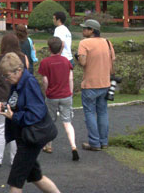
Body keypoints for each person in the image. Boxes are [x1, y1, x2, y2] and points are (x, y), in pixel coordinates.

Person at [0, 52, 61, 193]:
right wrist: (6, 106)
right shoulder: (17, 82)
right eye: (4, 76)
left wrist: (14, 116)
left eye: (7, 76)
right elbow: (18, 103)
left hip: (32, 138)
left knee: (15, 182)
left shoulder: (29, 83)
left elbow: (36, 114)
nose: (6, 79)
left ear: (18, 70)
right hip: (25, 137)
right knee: (36, 177)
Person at [75, 18, 115, 151]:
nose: (82, 30)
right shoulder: (107, 42)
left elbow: (83, 63)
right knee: (103, 112)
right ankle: (104, 141)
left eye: (85, 28)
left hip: (90, 84)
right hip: (105, 83)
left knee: (90, 113)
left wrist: (78, 57)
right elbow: (112, 64)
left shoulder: (84, 43)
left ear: (91, 30)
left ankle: (94, 142)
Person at [37, 37, 78, 160]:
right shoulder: (66, 61)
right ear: (61, 47)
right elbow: (71, 78)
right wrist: (70, 92)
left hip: (52, 96)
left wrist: (46, 91)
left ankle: (48, 145)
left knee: (50, 121)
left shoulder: (45, 62)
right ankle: (73, 146)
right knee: (67, 122)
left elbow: (45, 80)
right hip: (66, 95)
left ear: (49, 48)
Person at [0, 33, 22, 167]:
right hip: (17, 97)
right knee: (16, 127)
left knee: (0, 127)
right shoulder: (22, 58)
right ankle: (15, 158)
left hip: (1, 96)